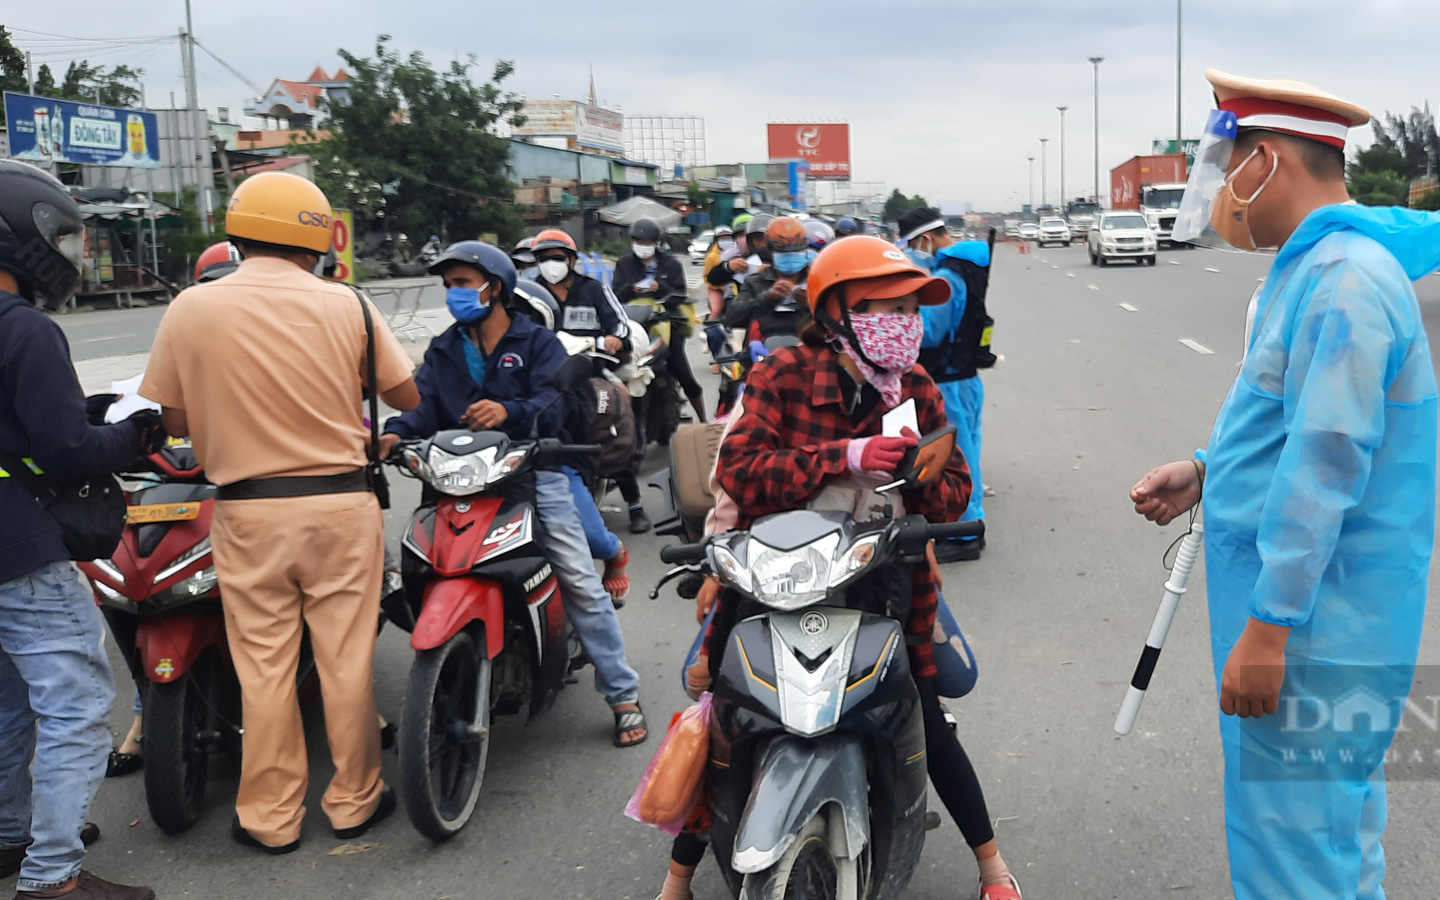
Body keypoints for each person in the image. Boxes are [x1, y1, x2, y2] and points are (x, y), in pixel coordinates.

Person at [1130, 70, 1440, 900]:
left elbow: (1328, 463)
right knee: (1314, 840)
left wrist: (1268, 633)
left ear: (1266, 160)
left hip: (1315, 629)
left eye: (1228, 166)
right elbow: (1286, 427)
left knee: (1302, 858)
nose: (1223, 192)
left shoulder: (1345, 281)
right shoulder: (1314, 272)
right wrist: (1205, 470)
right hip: (1306, 619)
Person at [676, 235, 1021, 900]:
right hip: (777, 581)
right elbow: (741, 473)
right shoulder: (781, 375)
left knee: (926, 705)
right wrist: (847, 455)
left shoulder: (916, 388)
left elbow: (954, 491)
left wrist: (920, 472)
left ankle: (992, 865)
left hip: (884, 582)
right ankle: (678, 873)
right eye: (882, 307)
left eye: (909, 309)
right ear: (834, 313)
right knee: (724, 713)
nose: (901, 323)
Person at [141, 172, 421, 854]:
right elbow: (406, 395)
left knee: (263, 665)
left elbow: (172, 419)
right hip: (340, 505)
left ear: (236, 234)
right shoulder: (348, 306)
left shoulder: (191, 307)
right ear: (317, 237)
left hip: (248, 511)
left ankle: (269, 816)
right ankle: (354, 801)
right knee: (346, 658)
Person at [379, 241, 649, 748]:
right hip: (458, 480)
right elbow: (422, 405)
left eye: (461, 284)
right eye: (450, 285)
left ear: (494, 288)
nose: (454, 294)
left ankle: (621, 693)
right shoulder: (443, 349)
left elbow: (556, 398)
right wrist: (396, 431)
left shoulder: (536, 342)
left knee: (579, 582)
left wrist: (512, 412)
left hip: (533, 475)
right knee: (408, 568)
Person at [0, 161, 162, 900]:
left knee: (6, 704)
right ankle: (52, 875)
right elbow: (65, 450)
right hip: (21, 547)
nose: (66, 251)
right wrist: (130, 438)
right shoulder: (24, 328)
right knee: (75, 705)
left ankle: (10, 838)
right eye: (58, 235)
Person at [530, 229, 655, 532]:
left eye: (557, 258)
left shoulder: (594, 290)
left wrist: (615, 339)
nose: (551, 264)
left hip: (593, 369)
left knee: (615, 410)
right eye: (544, 259)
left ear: (571, 260)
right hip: (544, 375)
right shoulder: (530, 294)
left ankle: (634, 502)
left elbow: (621, 327)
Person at [899, 207, 993, 562]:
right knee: (970, 449)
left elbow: (932, 332)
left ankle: (966, 531)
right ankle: (971, 516)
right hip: (966, 376)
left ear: (923, 238)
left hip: (947, 379)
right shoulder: (971, 264)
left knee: (957, 455)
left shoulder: (948, 275)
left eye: (911, 244)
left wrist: (904, 311)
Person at [612, 218, 706, 426]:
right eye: (639, 242)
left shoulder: (671, 264)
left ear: (656, 243)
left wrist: (661, 288)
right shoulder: (624, 264)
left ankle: (704, 420)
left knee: (682, 372)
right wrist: (632, 289)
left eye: (647, 243)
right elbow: (616, 294)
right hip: (637, 326)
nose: (643, 247)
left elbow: (679, 293)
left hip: (667, 324)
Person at [721, 216, 812, 345]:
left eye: (796, 252)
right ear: (770, 251)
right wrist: (768, 297)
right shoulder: (755, 281)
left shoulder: (817, 279)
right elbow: (733, 318)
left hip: (810, 350)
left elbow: (840, 319)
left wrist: (813, 305)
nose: (790, 257)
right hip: (764, 352)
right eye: (783, 253)